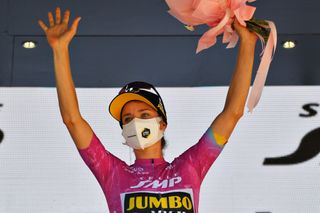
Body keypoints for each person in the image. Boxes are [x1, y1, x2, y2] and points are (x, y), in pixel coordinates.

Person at [38, 7, 257, 213]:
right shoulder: (113, 173)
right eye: (127, 118)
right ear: (124, 132)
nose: (135, 122)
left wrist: (247, 44)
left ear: (162, 124)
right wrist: (60, 50)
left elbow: (233, 113)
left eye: (144, 115)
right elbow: (72, 120)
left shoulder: (190, 167)